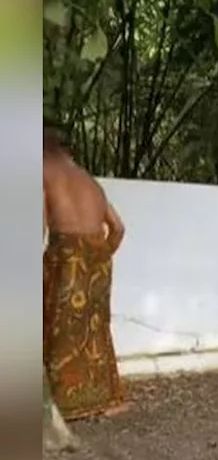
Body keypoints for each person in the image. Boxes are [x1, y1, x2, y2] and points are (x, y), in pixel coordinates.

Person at [43, 128, 129, 421]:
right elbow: (117, 228)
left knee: (58, 325)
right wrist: (99, 256)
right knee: (95, 329)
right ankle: (102, 398)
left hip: (67, 254)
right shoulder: (90, 181)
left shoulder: (43, 171)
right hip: (98, 257)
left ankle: (59, 404)